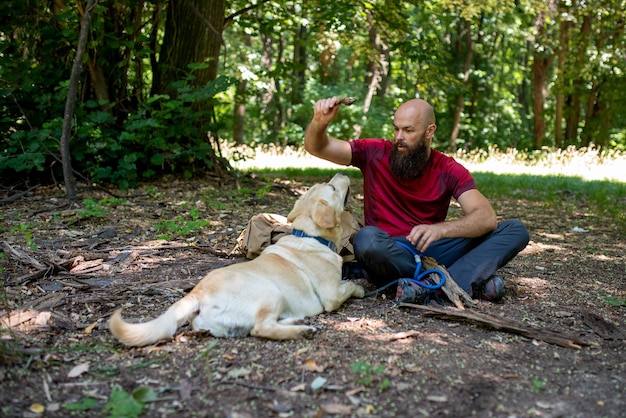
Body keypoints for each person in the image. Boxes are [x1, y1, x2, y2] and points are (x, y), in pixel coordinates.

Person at [303, 97, 529, 302]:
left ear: (429, 131)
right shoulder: (373, 152)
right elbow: (318, 147)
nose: (399, 137)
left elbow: (486, 217)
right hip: (389, 251)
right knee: (367, 239)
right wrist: (319, 122)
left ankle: (432, 287)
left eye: (408, 130)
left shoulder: (449, 169)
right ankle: (457, 280)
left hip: (433, 248)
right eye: (396, 129)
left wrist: (441, 230)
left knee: (515, 230)